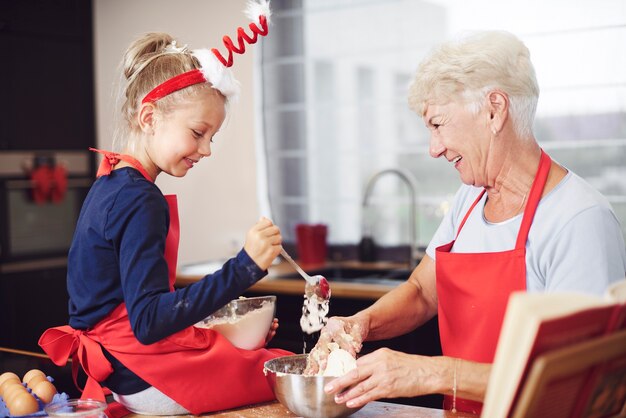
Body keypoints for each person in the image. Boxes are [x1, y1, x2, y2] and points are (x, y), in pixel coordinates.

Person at [321, 30, 626, 414]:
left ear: (494, 110)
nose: (433, 149)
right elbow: (421, 292)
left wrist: (432, 374)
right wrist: (361, 324)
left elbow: (580, 380)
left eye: (437, 124)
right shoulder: (470, 199)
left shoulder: (578, 221)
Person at [38, 3, 292, 416]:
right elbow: (150, 320)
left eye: (212, 136)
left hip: (122, 373)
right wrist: (243, 267)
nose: (207, 149)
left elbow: (135, 306)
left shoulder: (112, 181)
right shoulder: (140, 199)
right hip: (146, 377)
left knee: (260, 356)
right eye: (198, 132)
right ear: (149, 117)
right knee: (285, 370)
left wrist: (229, 330)